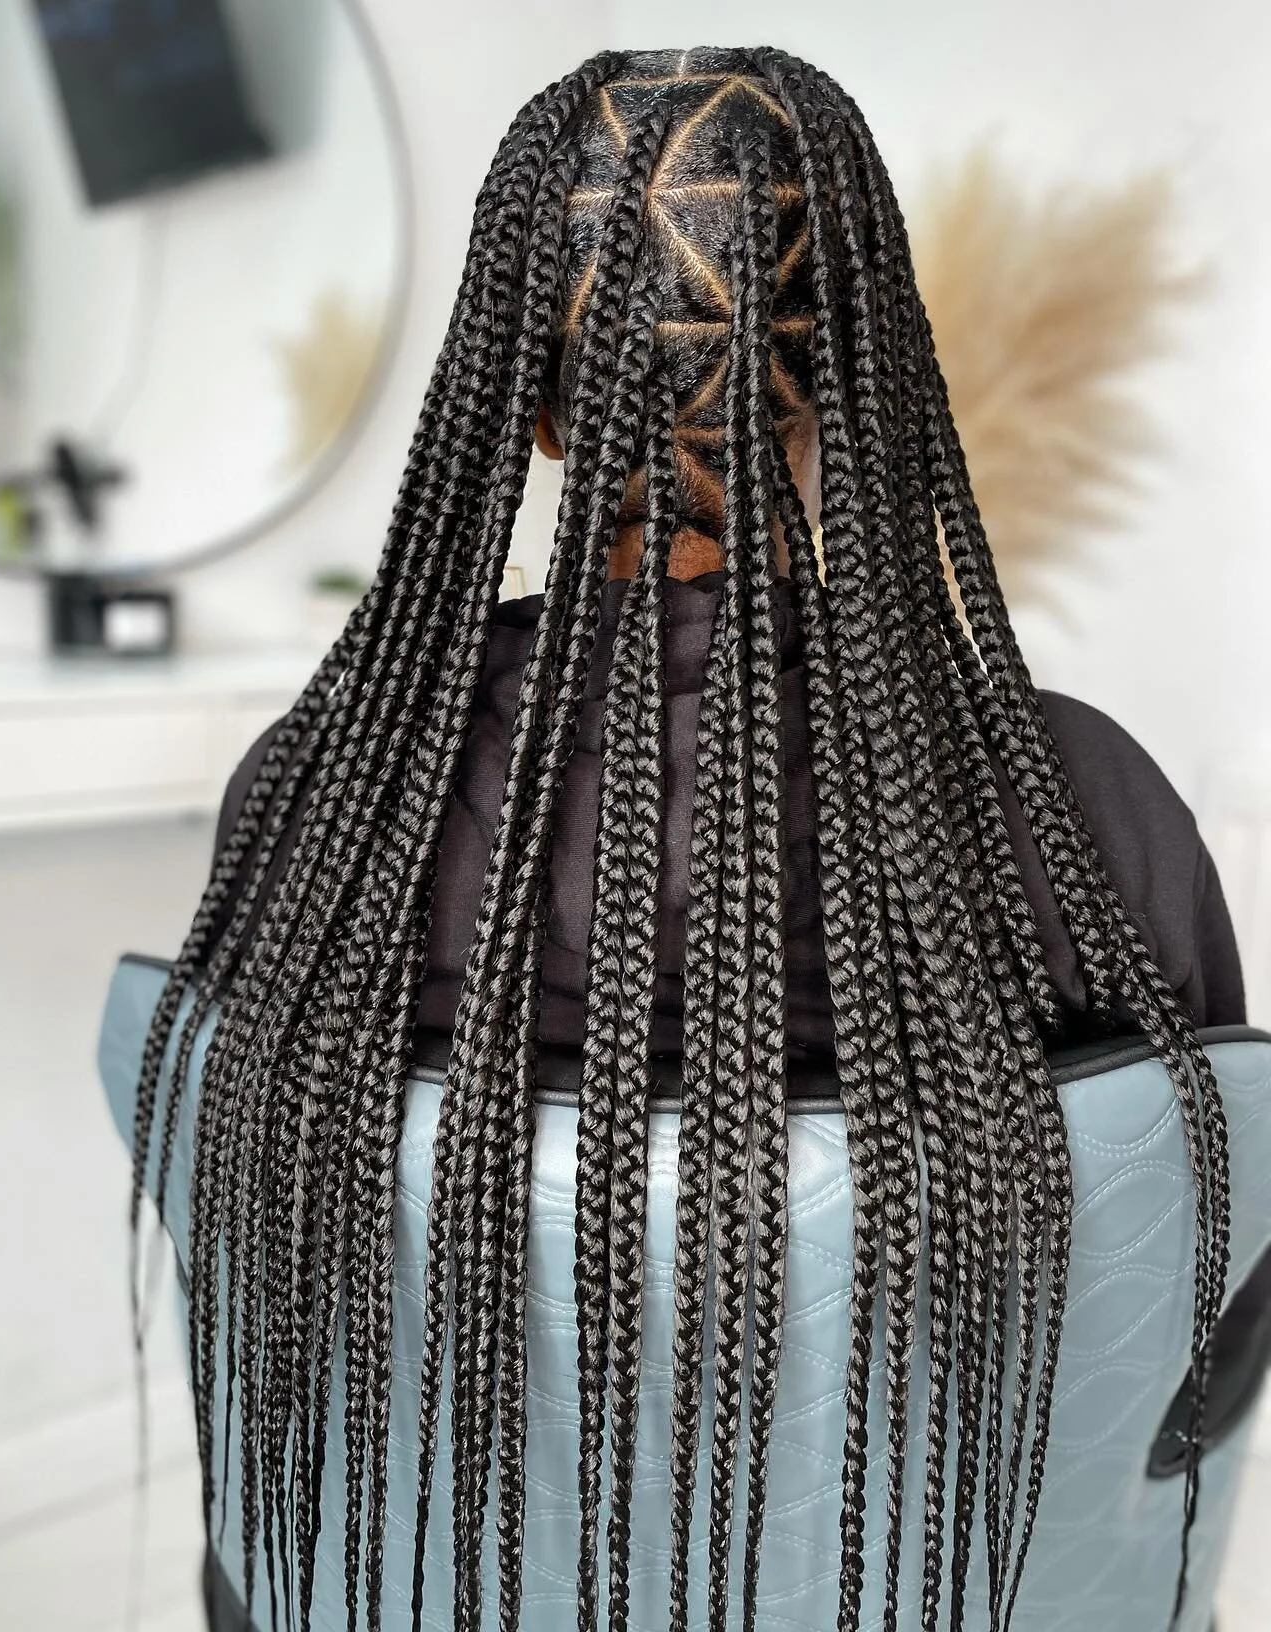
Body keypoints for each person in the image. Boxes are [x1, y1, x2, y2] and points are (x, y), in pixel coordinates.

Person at [131, 48, 1242, 1632]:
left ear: (523, 403)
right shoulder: (1080, 809)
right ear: (864, 374)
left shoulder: (320, 795)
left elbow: (253, 1267)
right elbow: (1198, 1284)